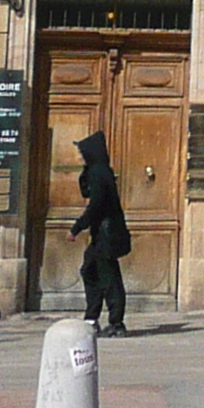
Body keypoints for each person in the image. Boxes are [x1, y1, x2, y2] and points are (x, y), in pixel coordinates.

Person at [72, 132, 132, 336]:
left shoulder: (99, 173)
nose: (80, 156)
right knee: (90, 270)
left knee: (109, 277)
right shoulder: (98, 171)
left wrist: (77, 227)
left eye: (82, 152)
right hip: (103, 233)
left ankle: (116, 322)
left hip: (107, 234)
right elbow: (86, 192)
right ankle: (91, 318)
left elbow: (96, 204)